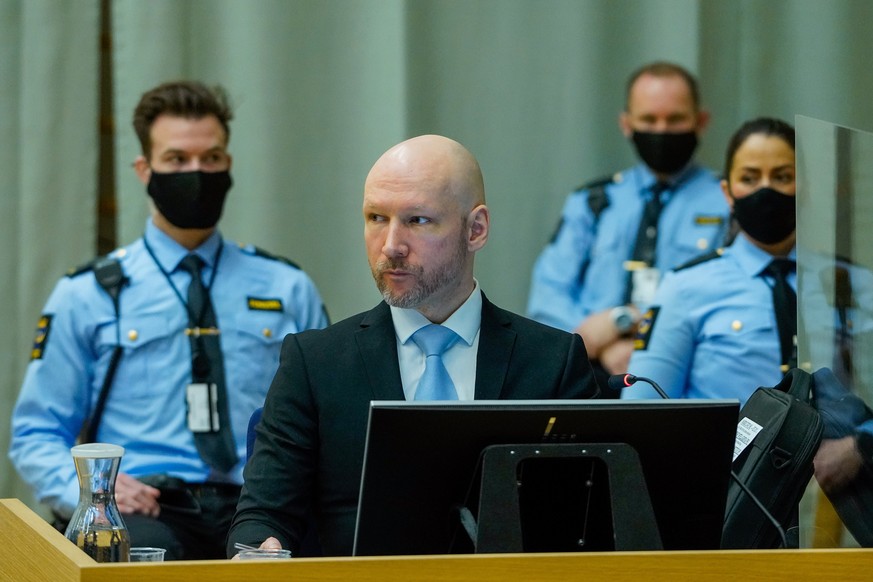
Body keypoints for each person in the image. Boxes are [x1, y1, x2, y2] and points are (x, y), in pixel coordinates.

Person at [227, 134, 599, 557]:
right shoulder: (315, 363)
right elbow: (264, 514)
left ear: (475, 229)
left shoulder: (553, 361)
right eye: (375, 218)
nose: (390, 246)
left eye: (417, 220)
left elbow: (587, 519)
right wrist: (263, 548)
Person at [9, 80, 329, 560]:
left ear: (228, 164)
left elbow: (326, 418)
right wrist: (94, 495)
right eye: (177, 160)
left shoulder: (286, 287)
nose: (197, 172)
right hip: (146, 509)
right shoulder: (88, 294)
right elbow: (36, 434)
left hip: (260, 502)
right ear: (144, 169)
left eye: (212, 158)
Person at [527, 61, 729, 395]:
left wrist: (632, 327)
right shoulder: (593, 201)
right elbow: (548, 297)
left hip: (687, 378)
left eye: (675, 119)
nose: (661, 130)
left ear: (701, 121)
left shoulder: (728, 201)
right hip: (587, 375)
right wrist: (600, 345)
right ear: (626, 123)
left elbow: (732, 297)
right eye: (649, 119)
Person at [622, 117, 797, 404]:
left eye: (782, 177)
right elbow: (641, 409)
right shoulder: (684, 287)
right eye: (749, 178)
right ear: (728, 193)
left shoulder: (848, 282)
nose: (765, 190)